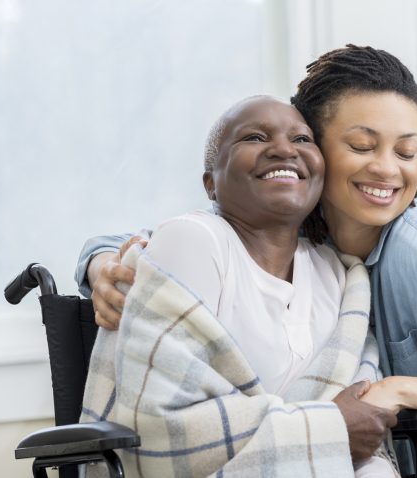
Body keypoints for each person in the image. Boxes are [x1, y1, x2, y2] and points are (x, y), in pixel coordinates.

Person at [78, 45, 417, 477]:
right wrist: (103, 265)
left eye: (407, 152)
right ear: (314, 145)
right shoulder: (297, 230)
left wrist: (407, 390)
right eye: (361, 146)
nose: (386, 169)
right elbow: (172, 235)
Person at [80, 95, 399, 477]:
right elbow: (159, 430)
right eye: (254, 137)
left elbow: (363, 425)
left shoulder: (337, 273)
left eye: (301, 140)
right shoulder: (195, 241)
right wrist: (327, 428)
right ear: (210, 183)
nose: (283, 148)